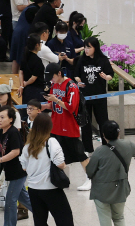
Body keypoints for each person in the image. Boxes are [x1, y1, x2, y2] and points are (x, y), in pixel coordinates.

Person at [85, 120, 135, 226]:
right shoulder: (127, 145)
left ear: (103, 135)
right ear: (118, 133)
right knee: (119, 217)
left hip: (101, 191)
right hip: (119, 188)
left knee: (104, 220)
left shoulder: (99, 151)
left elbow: (89, 171)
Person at [20, 112, 75, 226]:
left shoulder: (27, 146)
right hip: (51, 188)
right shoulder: (51, 142)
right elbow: (60, 164)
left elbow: (24, 167)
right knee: (65, 219)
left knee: (40, 221)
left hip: (33, 189)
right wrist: (64, 166)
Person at [44, 62, 92, 190]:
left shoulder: (71, 86)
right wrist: (42, 106)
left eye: (52, 77)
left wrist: (57, 100)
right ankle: (57, 178)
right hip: (55, 125)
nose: (51, 80)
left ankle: (91, 178)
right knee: (53, 153)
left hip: (69, 126)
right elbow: (52, 105)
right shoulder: (54, 85)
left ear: (59, 73)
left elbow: (71, 107)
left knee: (79, 153)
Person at [0, 106, 30, 226]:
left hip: (18, 172)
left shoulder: (13, 133)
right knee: (25, 199)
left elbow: (16, 151)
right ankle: (43, 213)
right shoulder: (1, 132)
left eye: (2, 117)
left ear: (11, 119)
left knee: (10, 201)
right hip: (9, 171)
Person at [73, 36, 114, 153]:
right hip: (85, 96)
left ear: (95, 48)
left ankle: (106, 146)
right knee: (86, 123)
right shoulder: (81, 59)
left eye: (89, 47)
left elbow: (110, 74)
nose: (86, 50)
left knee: (103, 122)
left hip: (99, 96)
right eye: (85, 47)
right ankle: (88, 148)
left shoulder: (103, 60)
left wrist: (106, 77)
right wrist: (78, 81)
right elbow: (76, 74)